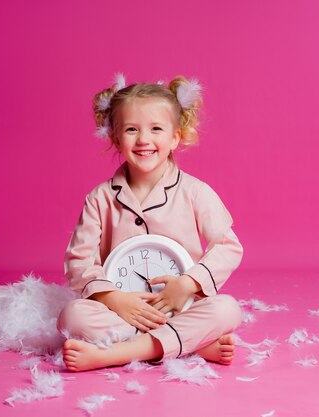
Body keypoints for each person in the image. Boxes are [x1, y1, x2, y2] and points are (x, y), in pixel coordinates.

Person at [57, 75, 243, 372]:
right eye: (132, 130)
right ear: (116, 138)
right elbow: (79, 260)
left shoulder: (195, 192)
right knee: (73, 316)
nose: (144, 140)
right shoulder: (100, 198)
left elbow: (229, 246)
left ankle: (113, 354)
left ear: (175, 138)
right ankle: (191, 344)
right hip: (122, 311)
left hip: (182, 306)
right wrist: (114, 298)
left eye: (156, 129)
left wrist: (187, 283)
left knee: (227, 310)